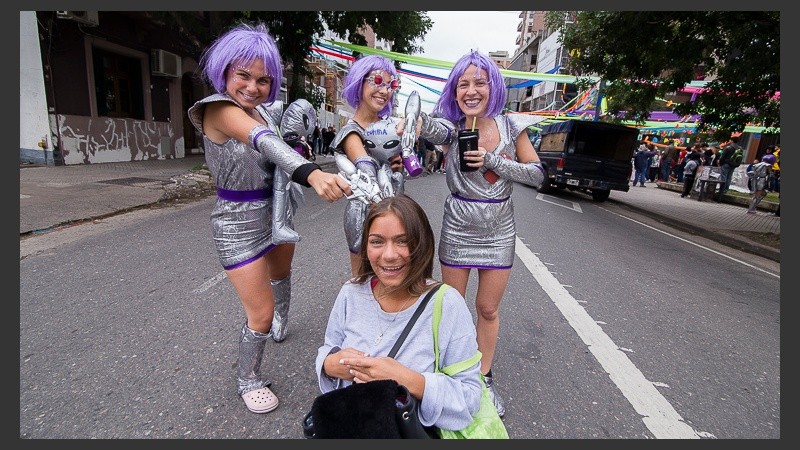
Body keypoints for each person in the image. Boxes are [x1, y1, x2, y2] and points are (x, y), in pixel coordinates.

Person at [187, 22, 351, 414]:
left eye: (263, 79)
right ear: (224, 71)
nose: (252, 87)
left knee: (281, 276)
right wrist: (311, 171)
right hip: (236, 223)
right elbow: (265, 142)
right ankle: (248, 378)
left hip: (275, 214)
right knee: (257, 312)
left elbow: (278, 142)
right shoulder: (219, 109)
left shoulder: (262, 110)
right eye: (242, 75)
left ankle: (282, 320)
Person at [427, 50, 546, 418]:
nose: (472, 90)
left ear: (493, 86)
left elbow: (538, 175)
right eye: (463, 84)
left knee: (487, 309)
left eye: (479, 82)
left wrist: (492, 159)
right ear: (455, 91)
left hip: (499, 228)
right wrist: (410, 122)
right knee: (453, 309)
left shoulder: (512, 127)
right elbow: (429, 129)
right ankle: (448, 376)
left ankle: (483, 378)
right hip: (458, 224)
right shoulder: (450, 126)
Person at [315, 194, 483, 433]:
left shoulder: (447, 304)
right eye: (377, 242)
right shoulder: (351, 293)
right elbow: (329, 348)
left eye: (403, 241)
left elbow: (470, 397)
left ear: (421, 244)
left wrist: (407, 380)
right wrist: (329, 364)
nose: (389, 255)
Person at [333, 55, 447, 276]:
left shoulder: (389, 126)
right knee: (362, 280)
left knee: (393, 280)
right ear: (359, 82)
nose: (385, 91)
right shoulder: (351, 132)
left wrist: (397, 165)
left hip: (393, 212)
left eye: (391, 85)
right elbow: (365, 168)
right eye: (377, 81)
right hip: (363, 216)